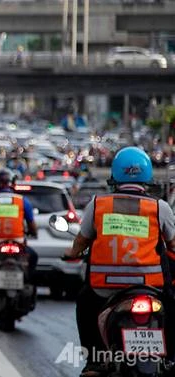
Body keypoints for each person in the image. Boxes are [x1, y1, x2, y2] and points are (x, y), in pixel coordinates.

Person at [66, 146, 175, 377]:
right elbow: (173, 245)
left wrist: (72, 254)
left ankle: (95, 361)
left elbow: (81, 242)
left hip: (104, 288)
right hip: (151, 287)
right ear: (147, 176)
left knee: (85, 305)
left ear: (115, 176)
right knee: (172, 308)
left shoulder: (98, 205)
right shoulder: (159, 208)